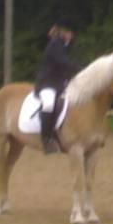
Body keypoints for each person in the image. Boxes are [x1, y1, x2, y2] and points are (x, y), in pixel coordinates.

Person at [34, 19, 79, 154]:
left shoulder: (64, 45)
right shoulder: (55, 44)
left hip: (60, 83)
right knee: (48, 104)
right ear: (62, 32)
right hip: (47, 83)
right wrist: (79, 69)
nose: (71, 35)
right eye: (69, 32)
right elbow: (62, 63)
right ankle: (46, 139)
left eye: (72, 32)